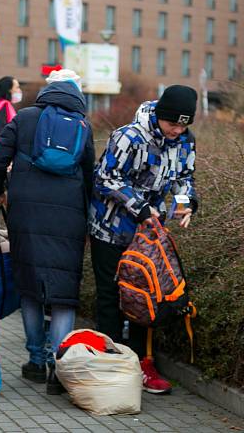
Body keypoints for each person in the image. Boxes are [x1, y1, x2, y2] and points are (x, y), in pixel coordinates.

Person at [0, 69, 96, 395]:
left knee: (30, 288)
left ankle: (36, 361)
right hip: (69, 219)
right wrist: (87, 219)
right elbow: (90, 176)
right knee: (64, 295)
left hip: (26, 215)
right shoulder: (83, 127)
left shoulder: (24, 118)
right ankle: (59, 370)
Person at [90, 84, 198, 395]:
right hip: (109, 228)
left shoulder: (185, 140)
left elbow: (184, 177)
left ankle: (141, 363)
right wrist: (140, 207)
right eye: (172, 123)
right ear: (161, 117)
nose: (178, 130)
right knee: (111, 297)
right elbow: (105, 177)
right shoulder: (129, 136)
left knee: (145, 297)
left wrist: (184, 205)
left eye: (183, 124)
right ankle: (109, 362)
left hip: (148, 235)